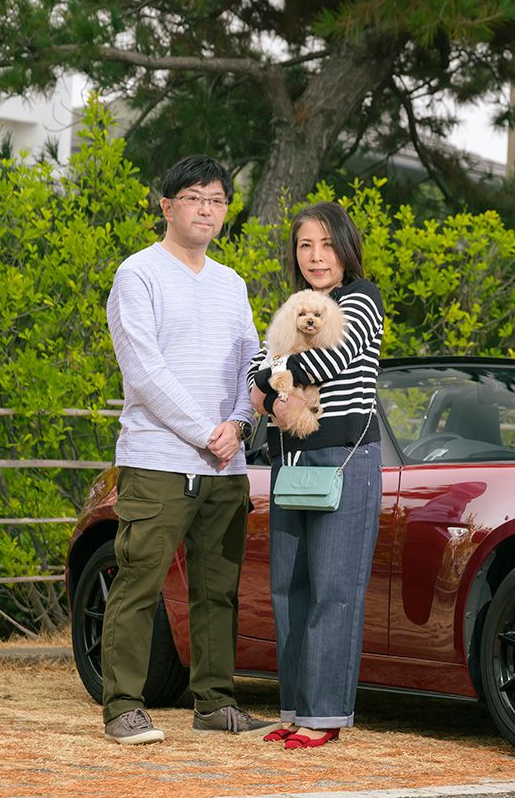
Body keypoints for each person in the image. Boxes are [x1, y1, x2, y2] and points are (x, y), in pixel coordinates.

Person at [102, 155, 276, 744]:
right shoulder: (138, 274)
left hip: (227, 462)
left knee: (218, 589)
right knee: (139, 582)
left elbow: (252, 363)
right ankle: (123, 706)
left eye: (217, 200)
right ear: (167, 206)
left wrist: (239, 426)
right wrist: (206, 432)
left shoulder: (232, 283)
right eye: (194, 198)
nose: (206, 209)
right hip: (158, 460)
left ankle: (216, 702)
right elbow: (144, 370)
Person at [247, 201, 385, 749]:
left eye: (326, 244)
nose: (316, 256)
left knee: (334, 589)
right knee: (290, 588)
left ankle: (324, 716)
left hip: (343, 459)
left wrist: (273, 381)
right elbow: (254, 378)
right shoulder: (296, 305)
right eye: (305, 245)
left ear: (345, 248)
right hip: (291, 460)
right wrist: (270, 384)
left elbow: (324, 361)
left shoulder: (361, 298)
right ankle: (296, 707)